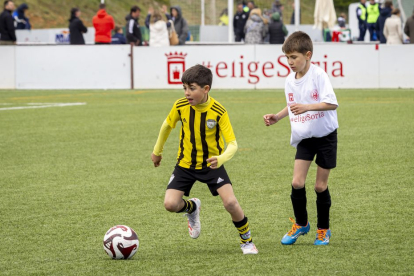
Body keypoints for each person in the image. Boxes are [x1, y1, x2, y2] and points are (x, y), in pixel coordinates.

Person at [151, 64, 258, 255]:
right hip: (185, 164)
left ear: (206, 89)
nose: (187, 93)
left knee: (231, 203)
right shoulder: (180, 105)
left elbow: (232, 143)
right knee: (170, 204)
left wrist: (221, 158)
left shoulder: (218, 111)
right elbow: (167, 125)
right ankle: (192, 207)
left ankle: (247, 241)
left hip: (211, 165)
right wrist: (157, 151)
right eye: (184, 88)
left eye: (192, 88)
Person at [263, 31, 339, 246]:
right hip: (305, 136)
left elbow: (331, 103)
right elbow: (292, 104)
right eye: (287, 57)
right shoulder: (289, 80)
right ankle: (301, 224)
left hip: (325, 136)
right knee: (297, 182)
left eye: (294, 57)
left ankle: (323, 229)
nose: (290, 62)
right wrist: (278, 116)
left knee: (320, 187)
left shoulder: (319, 75)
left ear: (308, 55)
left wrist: (306, 107)